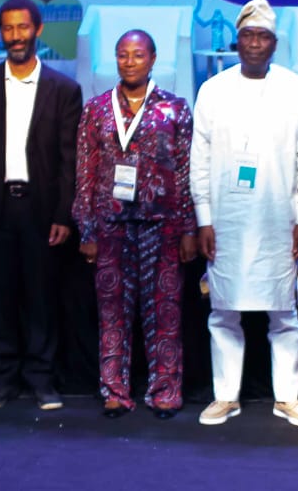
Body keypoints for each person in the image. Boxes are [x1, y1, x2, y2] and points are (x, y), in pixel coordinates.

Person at [191, 0, 298, 428]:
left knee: (285, 311)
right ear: (237, 41)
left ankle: (287, 398)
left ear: (275, 44)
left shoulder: (296, 89)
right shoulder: (212, 90)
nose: (256, 44)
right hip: (226, 218)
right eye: (248, 36)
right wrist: (204, 219)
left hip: (278, 217)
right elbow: (200, 160)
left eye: (264, 37)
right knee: (223, 310)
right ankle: (225, 396)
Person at [0, 0, 82, 411]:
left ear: (38, 30)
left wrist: (64, 213)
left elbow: (70, 160)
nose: (16, 36)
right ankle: (1, 381)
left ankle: (41, 380)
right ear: (1, 33)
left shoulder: (64, 89)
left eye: (23, 28)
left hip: (42, 210)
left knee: (41, 300)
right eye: (8, 29)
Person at [72, 30, 197, 420]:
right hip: (110, 226)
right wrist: (86, 229)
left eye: (138, 54)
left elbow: (185, 174)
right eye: (123, 55)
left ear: (153, 59)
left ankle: (165, 391)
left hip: (163, 226)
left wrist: (189, 229)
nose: (130, 62)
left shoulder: (175, 109)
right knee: (112, 311)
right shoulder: (96, 110)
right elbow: (85, 174)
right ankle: (114, 390)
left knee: (165, 311)